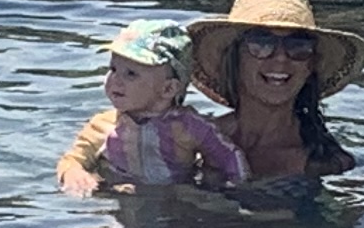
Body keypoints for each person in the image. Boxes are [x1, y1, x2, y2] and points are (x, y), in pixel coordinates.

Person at [190, 0, 364, 180]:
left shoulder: (327, 165)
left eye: (298, 45)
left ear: (311, 66)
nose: (281, 58)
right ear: (235, 58)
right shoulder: (189, 143)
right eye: (262, 42)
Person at [59, 18, 249, 194]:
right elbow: (73, 159)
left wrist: (233, 189)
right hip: (118, 197)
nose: (115, 79)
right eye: (113, 69)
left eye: (131, 74)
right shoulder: (103, 126)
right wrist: (74, 173)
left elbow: (228, 156)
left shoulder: (188, 126)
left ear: (168, 89)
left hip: (174, 202)